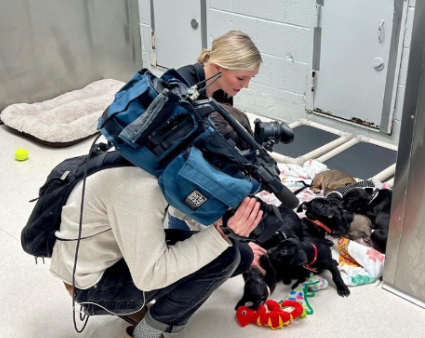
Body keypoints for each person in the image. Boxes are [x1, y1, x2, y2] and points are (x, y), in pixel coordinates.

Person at [49, 31, 266, 338]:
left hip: (115, 248)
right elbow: (150, 275)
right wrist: (222, 234)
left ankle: (145, 298)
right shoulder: (139, 190)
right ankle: (147, 332)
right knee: (226, 254)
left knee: (237, 254)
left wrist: (229, 235)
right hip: (91, 284)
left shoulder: (166, 159)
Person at [177, 30, 262, 106]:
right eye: (241, 78)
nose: (246, 85)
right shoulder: (180, 86)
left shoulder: (224, 89)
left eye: (251, 78)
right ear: (217, 67)